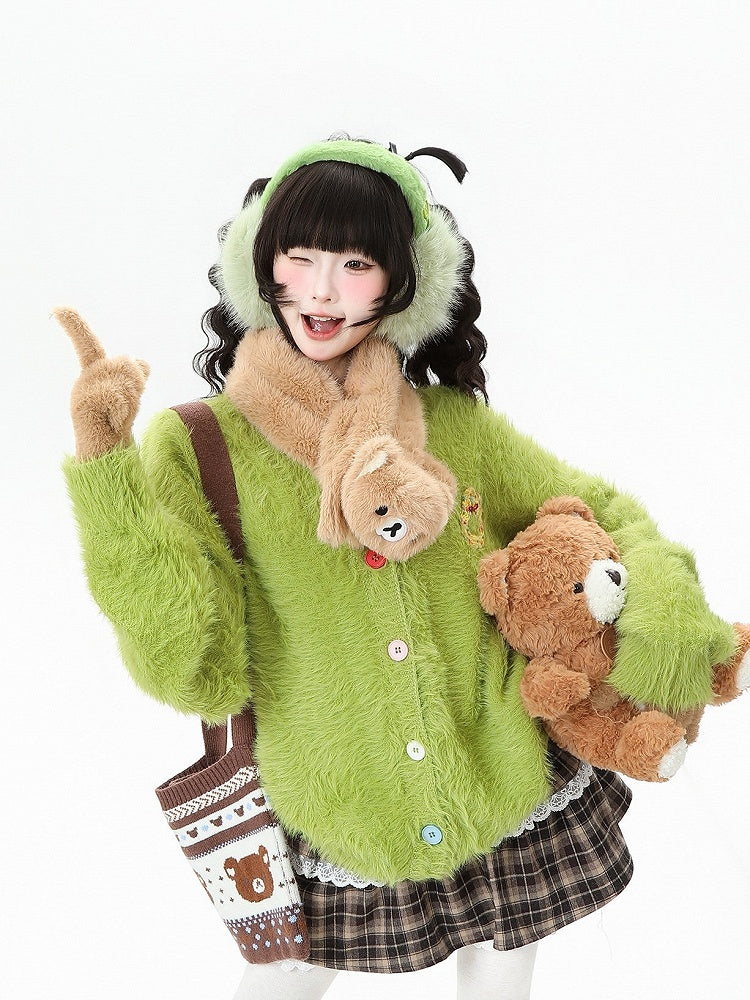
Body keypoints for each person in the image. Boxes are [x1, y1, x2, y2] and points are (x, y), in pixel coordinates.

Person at [57, 137, 743, 1000]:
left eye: (355, 263)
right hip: (341, 808)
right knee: (283, 983)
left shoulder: (452, 426)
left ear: (401, 280)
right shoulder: (202, 447)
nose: (321, 290)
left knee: (505, 973)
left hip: (504, 775)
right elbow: (192, 667)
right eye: (299, 257)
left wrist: (668, 612)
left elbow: (600, 513)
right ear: (259, 267)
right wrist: (106, 469)